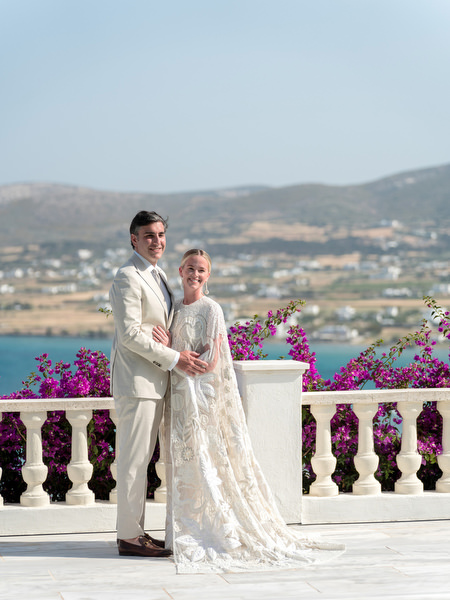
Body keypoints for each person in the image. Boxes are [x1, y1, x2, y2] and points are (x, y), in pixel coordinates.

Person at [153, 249, 345, 573]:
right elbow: (180, 354)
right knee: (183, 466)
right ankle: (183, 531)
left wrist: (174, 352)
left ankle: (215, 530)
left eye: (201, 270)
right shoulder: (174, 310)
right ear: (180, 269)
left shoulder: (211, 309)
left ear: (208, 275)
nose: (194, 275)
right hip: (180, 400)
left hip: (203, 399)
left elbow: (210, 363)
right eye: (190, 268)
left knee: (208, 462)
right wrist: (170, 347)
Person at [109, 212, 208, 558]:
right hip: (137, 384)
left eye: (161, 234)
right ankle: (129, 537)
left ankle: (136, 533)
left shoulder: (160, 275)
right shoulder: (127, 277)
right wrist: (173, 356)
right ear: (133, 239)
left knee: (143, 462)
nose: (157, 241)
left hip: (156, 384)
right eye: (149, 235)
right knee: (133, 464)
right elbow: (131, 334)